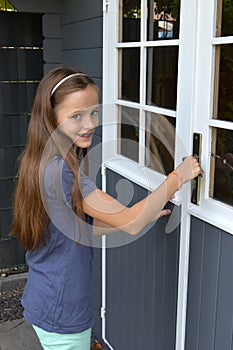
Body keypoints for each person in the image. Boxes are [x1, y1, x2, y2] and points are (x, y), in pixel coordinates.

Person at [10, 67, 203, 350]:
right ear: (51, 117)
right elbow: (131, 222)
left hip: (44, 297)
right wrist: (179, 175)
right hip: (61, 312)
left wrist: (145, 215)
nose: (89, 124)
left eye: (94, 112)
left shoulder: (42, 159)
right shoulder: (61, 171)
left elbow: (78, 229)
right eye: (76, 116)